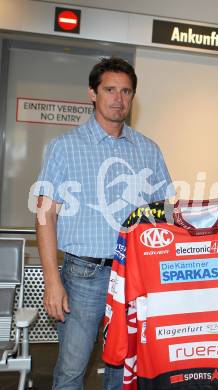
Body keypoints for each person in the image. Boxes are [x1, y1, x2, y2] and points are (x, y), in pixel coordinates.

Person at [34, 57, 172, 390]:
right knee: (71, 370)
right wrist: (52, 280)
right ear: (92, 93)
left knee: (123, 369)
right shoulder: (64, 148)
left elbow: (165, 215)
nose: (118, 98)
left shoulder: (148, 151)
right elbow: (44, 215)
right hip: (83, 276)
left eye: (126, 91)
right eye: (110, 89)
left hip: (135, 276)